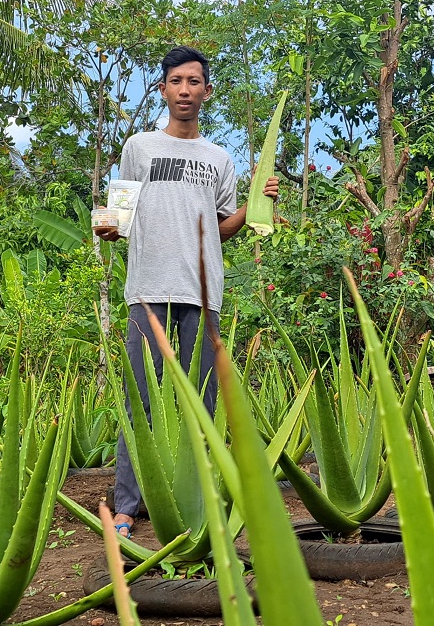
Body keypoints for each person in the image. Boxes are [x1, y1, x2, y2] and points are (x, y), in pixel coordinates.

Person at [93, 45, 279, 538]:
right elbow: (118, 217)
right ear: (163, 89)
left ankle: (198, 505)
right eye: (176, 81)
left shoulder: (218, 158)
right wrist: (108, 229)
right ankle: (128, 508)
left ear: (207, 92)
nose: (185, 90)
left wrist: (259, 203)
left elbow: (221, 228)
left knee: (204, 399)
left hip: (202, 292)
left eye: (194, 82)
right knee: (141, 400)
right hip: (147, 289)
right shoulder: (139, 147)